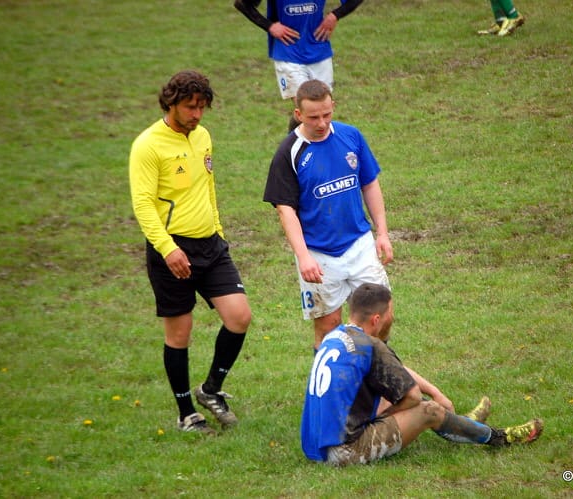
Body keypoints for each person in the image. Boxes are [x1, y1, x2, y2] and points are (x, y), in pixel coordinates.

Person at [129, 70, 252, 434]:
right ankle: (187, 414)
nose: (197, 114)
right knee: (179, 334)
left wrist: (218, 230)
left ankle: (210, 390)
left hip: (211, 245)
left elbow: (208, 188)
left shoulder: (203, 137)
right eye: (189, 106)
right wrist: (168, 250)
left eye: (202, 107)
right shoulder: (148, 145)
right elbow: (143, 205)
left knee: (239, 316)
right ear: (171, 103)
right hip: (172, 250)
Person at [301, 283, 543, 466]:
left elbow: (397, 372)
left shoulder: (335, 335)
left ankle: (465, 425)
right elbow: (413, 397)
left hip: (315, 445)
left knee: (400, 396)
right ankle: (501, 438)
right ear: (377, 319)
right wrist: (387, 416)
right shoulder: (372, 346)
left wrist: (436, 391)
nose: (392, 317)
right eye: (390, 313)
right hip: (343, 452)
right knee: (428, 410)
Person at [263, 79, 393, 351]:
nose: (321, 123)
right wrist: (304, 257)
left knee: (382, 316)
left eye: (326, 114)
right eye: (313, 117)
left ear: (333, 106)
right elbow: (285, 211)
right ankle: (330, 390)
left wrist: (381, 233)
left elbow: (369, 183)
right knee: (328, 327)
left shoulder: (351, 136)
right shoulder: (289, 153)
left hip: (359, 244)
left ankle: (374, 386)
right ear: (298, 114)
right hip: (319, 255)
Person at [234, 0, 363, 131]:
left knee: (321, 109)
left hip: (319, 49)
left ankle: (312, 147)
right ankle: (292, 149)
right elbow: (242, 4)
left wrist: (335, 15)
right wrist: (270, 26)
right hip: (288, 52)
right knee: (305, 108)